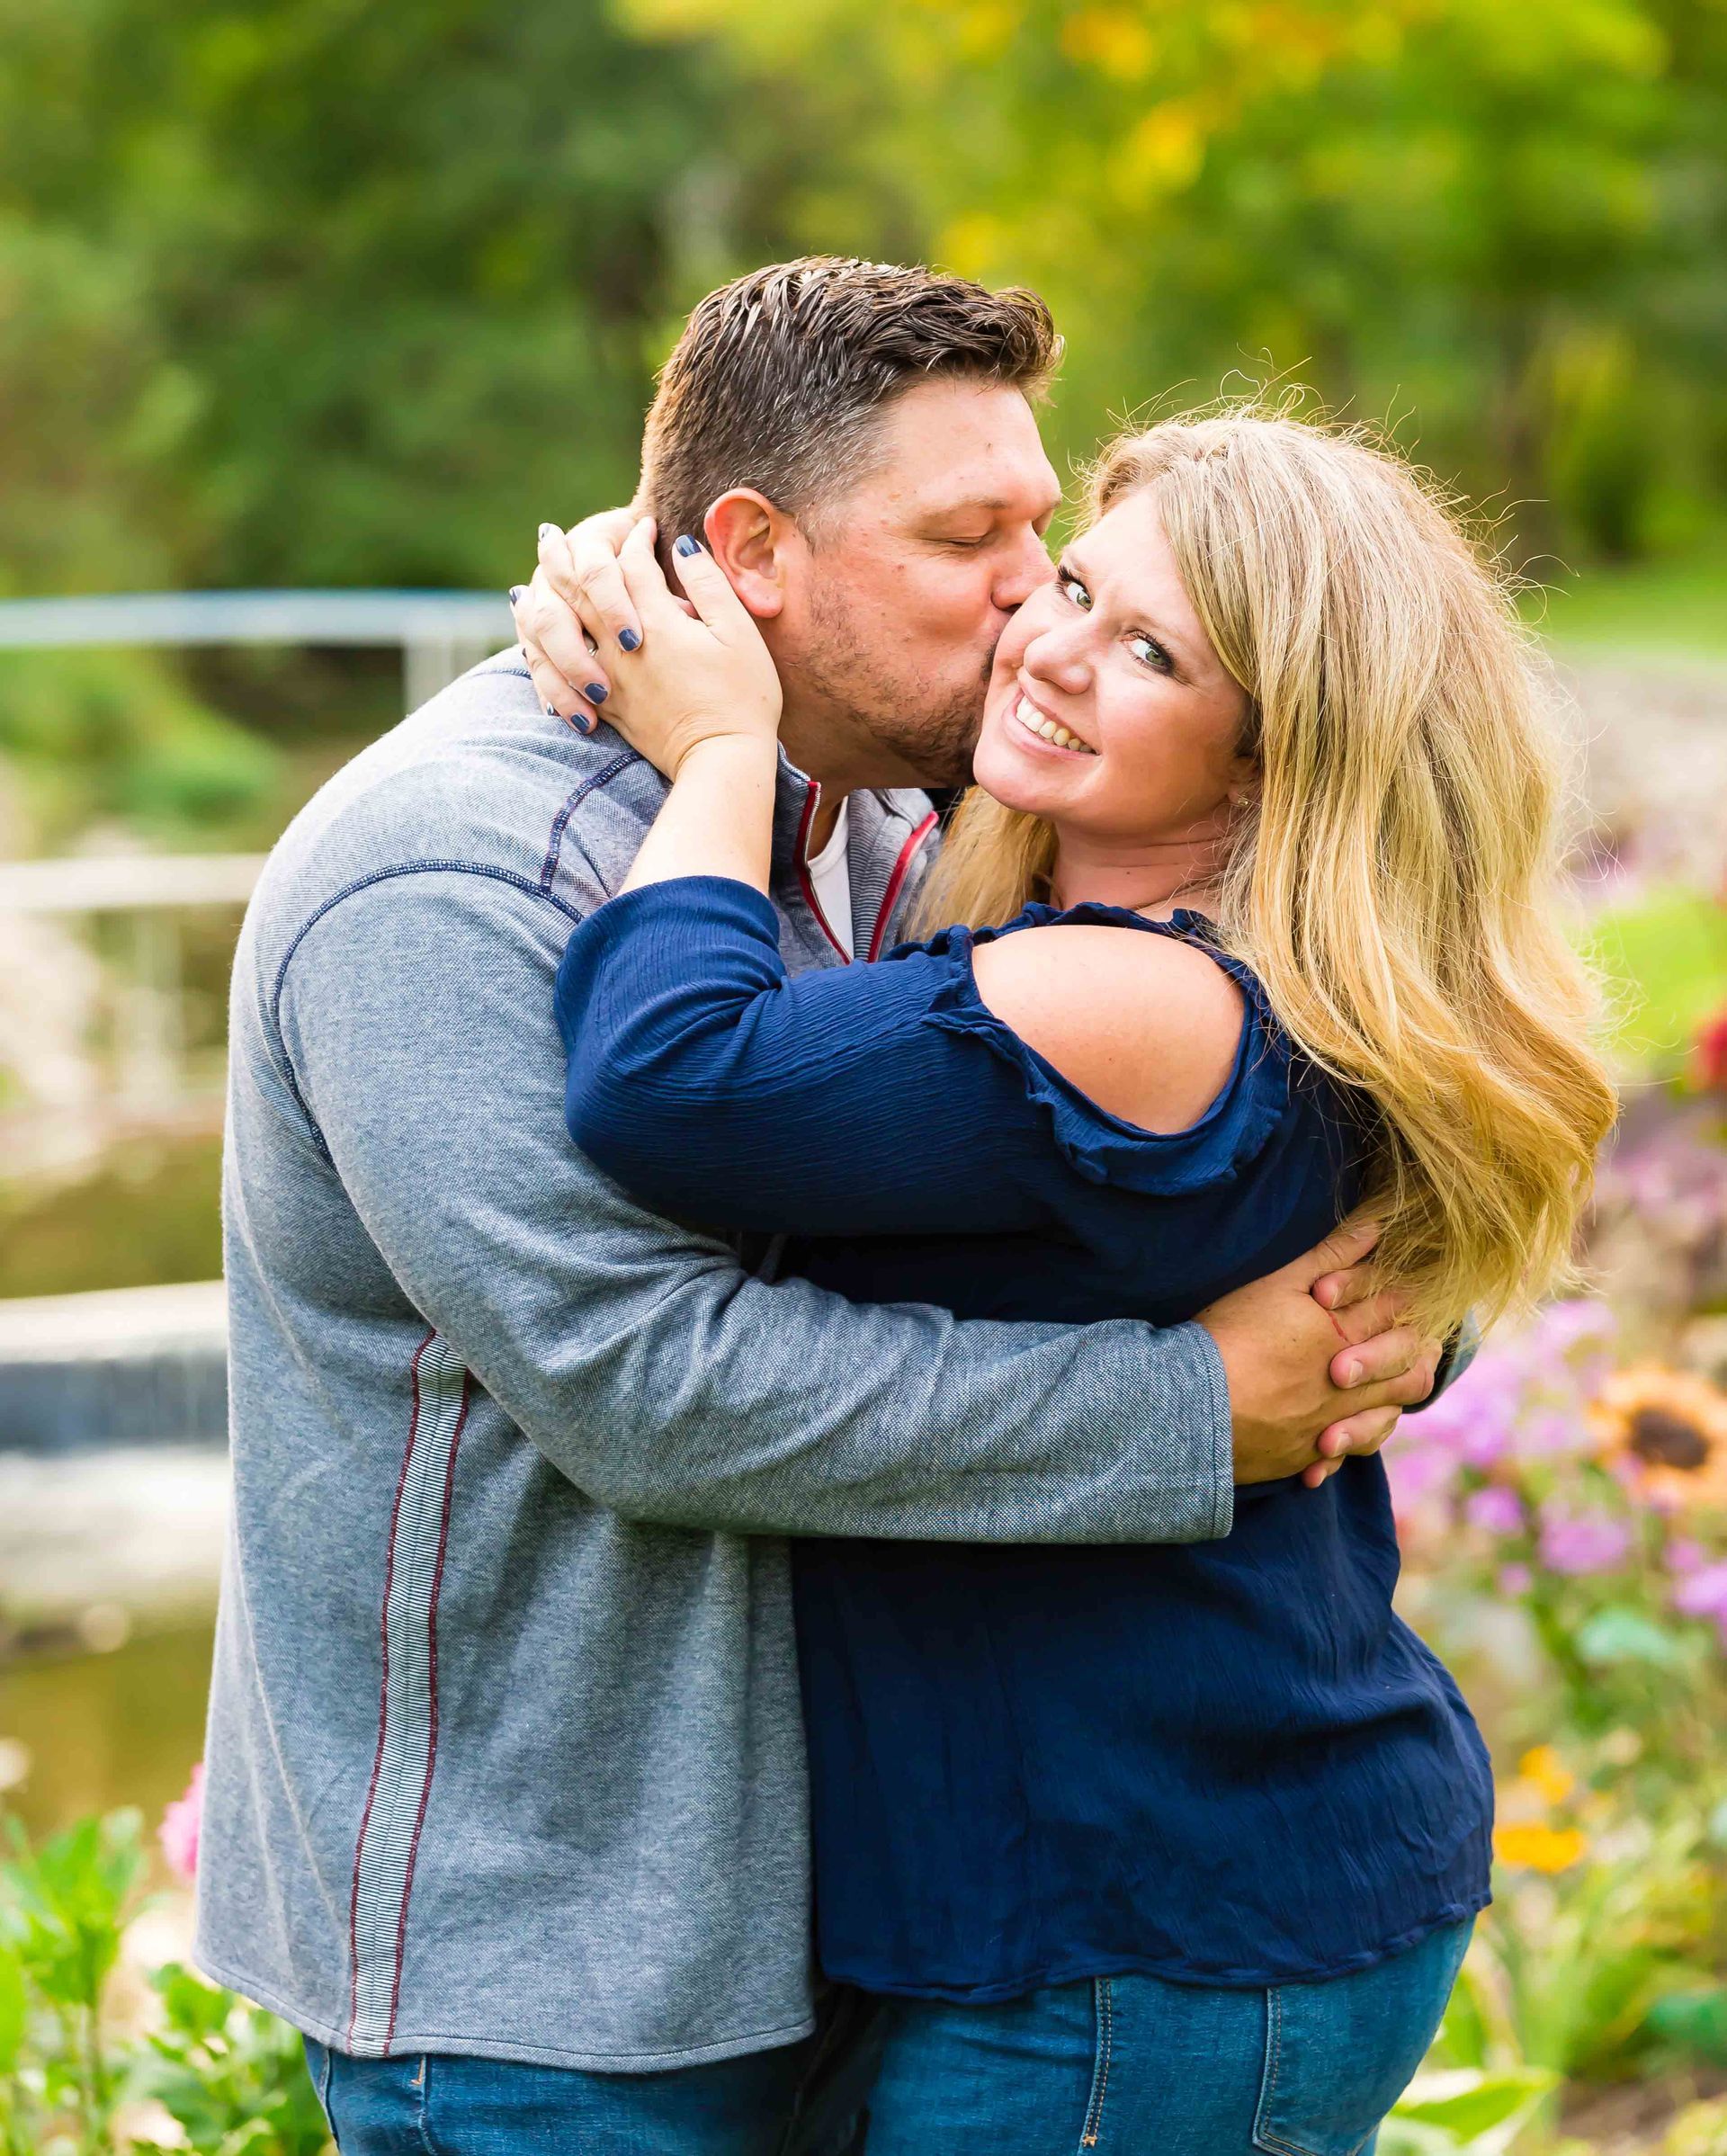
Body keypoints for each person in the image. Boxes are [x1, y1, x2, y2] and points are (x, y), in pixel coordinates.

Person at [201, 258, 1445, 2156]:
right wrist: (1193, 1409)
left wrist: (1400, 1309)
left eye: (1048, 526)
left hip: (874, 1912)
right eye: (973, 538)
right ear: (752, 551)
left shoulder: (891, 808)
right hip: (550, 1961)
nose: (1037, 590)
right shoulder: (442, 878)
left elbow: (1246, 1080)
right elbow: (650, 1384)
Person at [541, 406, 1617, 2152]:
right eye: (1069, 586)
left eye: (1148, 650)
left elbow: (662, 1075)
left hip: (1138, 1937)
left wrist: (722, 746)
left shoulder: (1135, 1002)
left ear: (1274, 758)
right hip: (1225, 1872)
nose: (1045, 647)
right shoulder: (1280, 969)